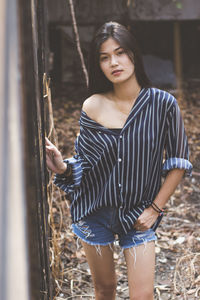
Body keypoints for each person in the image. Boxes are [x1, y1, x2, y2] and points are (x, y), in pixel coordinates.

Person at [45, 22, 192, 300]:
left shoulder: (163, 104)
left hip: (139, 214)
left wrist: (155, 209)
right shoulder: (93, 105)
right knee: (105, 289)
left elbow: (178, 162)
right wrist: (63, 167)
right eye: (104, 57)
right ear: (98, 64)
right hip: (94, 212)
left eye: (120, 52)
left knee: (142, 295)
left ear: (133, 55)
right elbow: (86, 164)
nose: (114, 62)